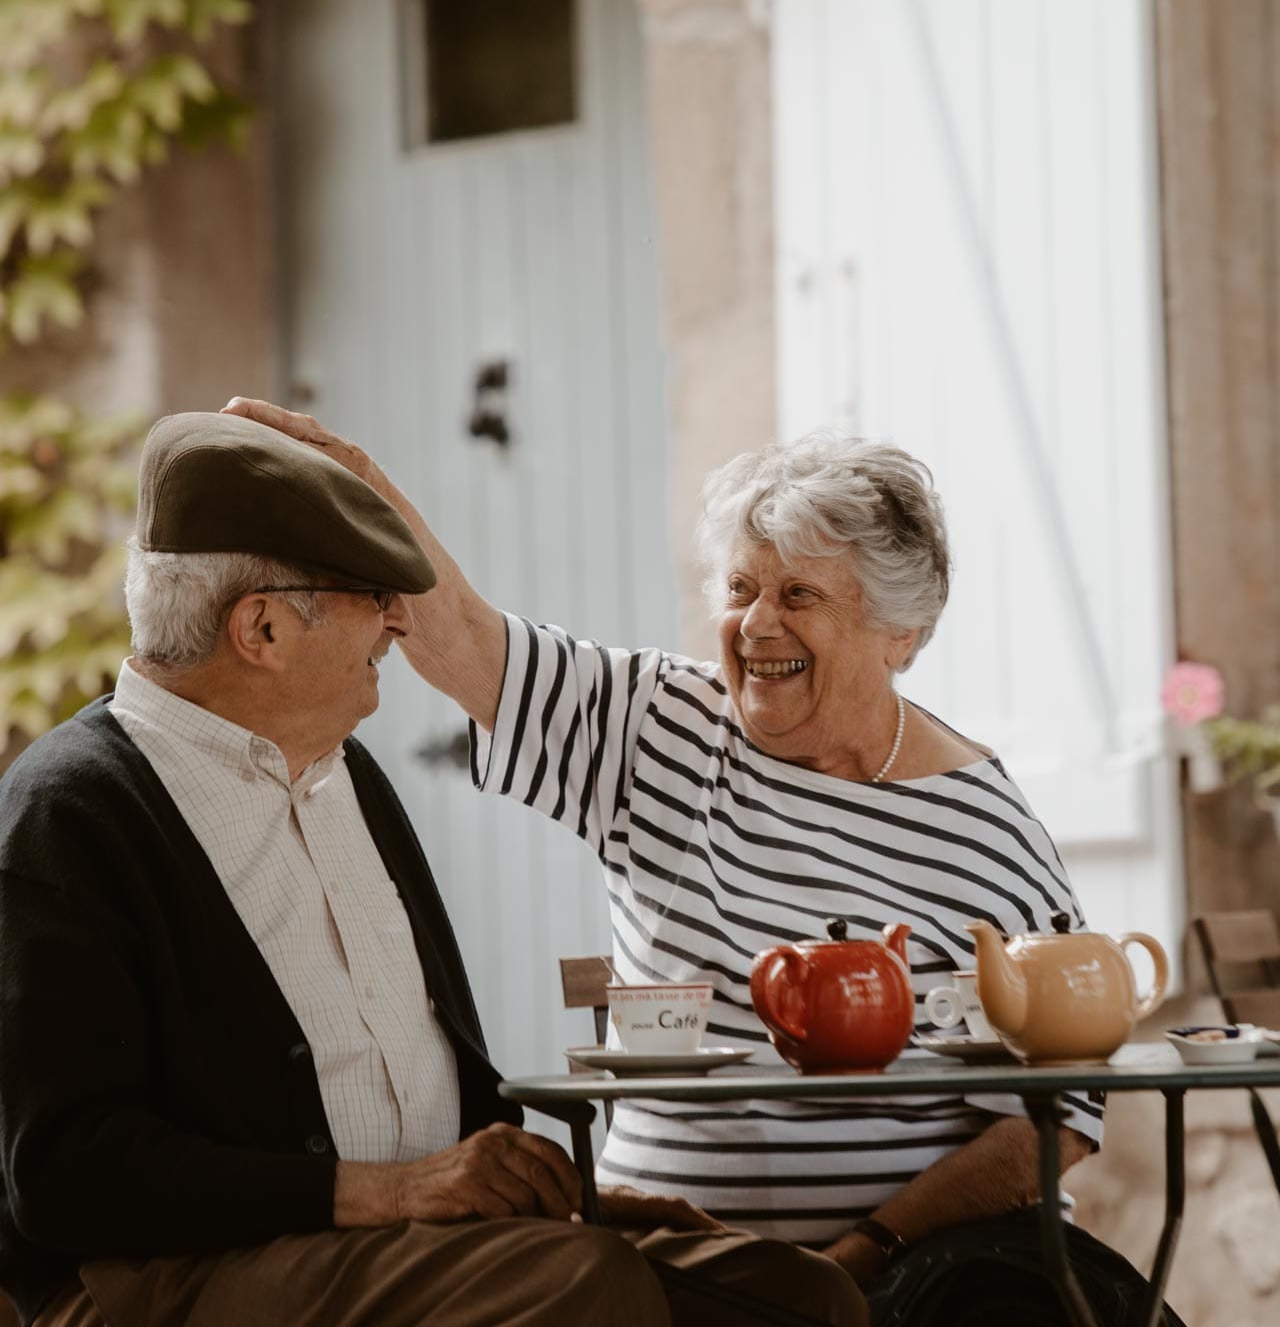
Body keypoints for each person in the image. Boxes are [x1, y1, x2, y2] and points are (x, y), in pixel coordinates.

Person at [228, 402, 1185, 1326]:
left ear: (902, 633)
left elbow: (1053, 1119)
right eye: (739, 589)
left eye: (799, 595)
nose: (757, 625)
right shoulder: (657, 728)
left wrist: (866, 1251)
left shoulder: (985, 825)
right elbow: (466, 638)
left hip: (930, 1274)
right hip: (675, 1266)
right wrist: (349, 481)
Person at [0, 412, 863, 1327]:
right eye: (368, 593)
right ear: (260, 628)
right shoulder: (68, 811)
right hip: (163, 1277)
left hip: (409, 1245)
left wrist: (539, 1194)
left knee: (800, 1295)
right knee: (585, 1285)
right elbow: (65, 1174)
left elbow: (428, 1085)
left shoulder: (344, 773)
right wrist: (389, 1192)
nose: (396, 619)